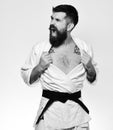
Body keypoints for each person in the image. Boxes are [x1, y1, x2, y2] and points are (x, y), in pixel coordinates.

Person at [21, 4, 97, 130]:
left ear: (69, 26)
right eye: (51, 18)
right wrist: (39, 67)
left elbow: (92, 78)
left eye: (57, 20)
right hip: (49, 114)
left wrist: (90, 67)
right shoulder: (41, 48)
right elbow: (27, 78)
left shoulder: (84, 48)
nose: (51, 23)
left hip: (77, 116)